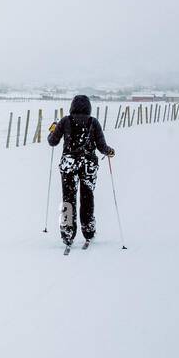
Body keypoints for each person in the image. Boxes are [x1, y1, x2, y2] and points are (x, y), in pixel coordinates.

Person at [46, 95, 115, 251]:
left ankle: (67, 233)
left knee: (68, 199)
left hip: (69, 164)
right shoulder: (93, 122)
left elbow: (52, 141)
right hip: (88, 165)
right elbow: (101, 145)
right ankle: (89, 231)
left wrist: (52, 130)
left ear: (72, 106)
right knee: (87, 198)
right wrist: (109, 151)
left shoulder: (65, 121)